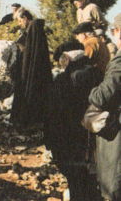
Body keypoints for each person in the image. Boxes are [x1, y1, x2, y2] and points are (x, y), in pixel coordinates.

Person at [44, 50, 101, 201]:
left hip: (67, 144)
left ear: (68, 61)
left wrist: (49, 141)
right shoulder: (99, 76)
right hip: (93, 144)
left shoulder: (62, 80)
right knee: (92, 184)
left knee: (76, 183)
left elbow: (52, 114)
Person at [88, 13, 121, 201]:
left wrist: (92, 91)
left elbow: (103, 96)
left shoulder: (119, 61)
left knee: (114, 184)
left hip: (117, 132)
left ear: (118, 32)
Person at [11, 8, 53, 128]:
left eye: (20, 21)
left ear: (25, 18)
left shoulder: (34, 27)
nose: (19, 24)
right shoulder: (33, 28)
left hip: (33, 70)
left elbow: (32, 51)